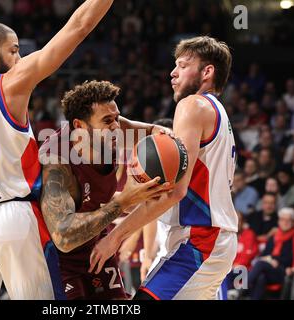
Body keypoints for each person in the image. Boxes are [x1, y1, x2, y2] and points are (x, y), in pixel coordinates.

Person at [0, 1, 115, 300]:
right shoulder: (10, 85)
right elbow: (78, 27)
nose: (20, 58)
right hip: (11, 215)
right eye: (14, 50)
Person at [89, 36, 238, 300]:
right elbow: (161, 135)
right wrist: (111, 118)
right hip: (204, 239)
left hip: (200, 240)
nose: (173, 72)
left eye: (182, 65)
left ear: (207, 71)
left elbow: (174, 192)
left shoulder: (191, 105)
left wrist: (116, 236)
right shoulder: (214, 112)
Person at [39, 80, 168, 300]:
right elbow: (63, 235)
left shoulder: (113, 131)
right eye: (107, 121)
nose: (116, 126)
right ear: (79, 126)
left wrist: (168, 137)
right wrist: (123, 202)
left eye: (117, 117)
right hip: (58, 257)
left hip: (96, 245)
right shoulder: (57, 161)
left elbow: (156, 132)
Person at [248, 208, 294, 300]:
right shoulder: (273, 237)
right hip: (269, 270)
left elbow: (289, 259)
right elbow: (263, 255)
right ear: (279, 221)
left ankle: (241, 289)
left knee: (261, 264)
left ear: (293, 222)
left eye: (288, 220)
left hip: (283, 271)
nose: (285, 222)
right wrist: (270, 259)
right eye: (282, 219)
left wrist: (272, 259)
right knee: (261, 277)